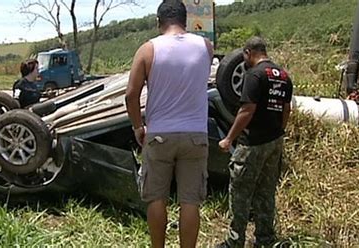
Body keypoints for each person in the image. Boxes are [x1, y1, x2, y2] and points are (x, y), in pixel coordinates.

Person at [125, 1, 213, 247]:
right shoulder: (206, 46)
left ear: (158, 22)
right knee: (190, 201)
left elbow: (131, 94)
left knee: (156, 198)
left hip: (160, 133)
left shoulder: (148, 49)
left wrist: (137, 127)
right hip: (196, 134)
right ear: (185, 20)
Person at [216, 36, 293, 248]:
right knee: (266, 192)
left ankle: (234, 242)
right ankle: (265, 240)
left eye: (244, 56)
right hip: (274, 142)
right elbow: (286, 109)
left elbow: (247, 110)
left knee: (240, 192)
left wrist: (229, 138)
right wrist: (280, 132)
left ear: (249, 52)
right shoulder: (283, 75)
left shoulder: (255, 75)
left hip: (252, 144)